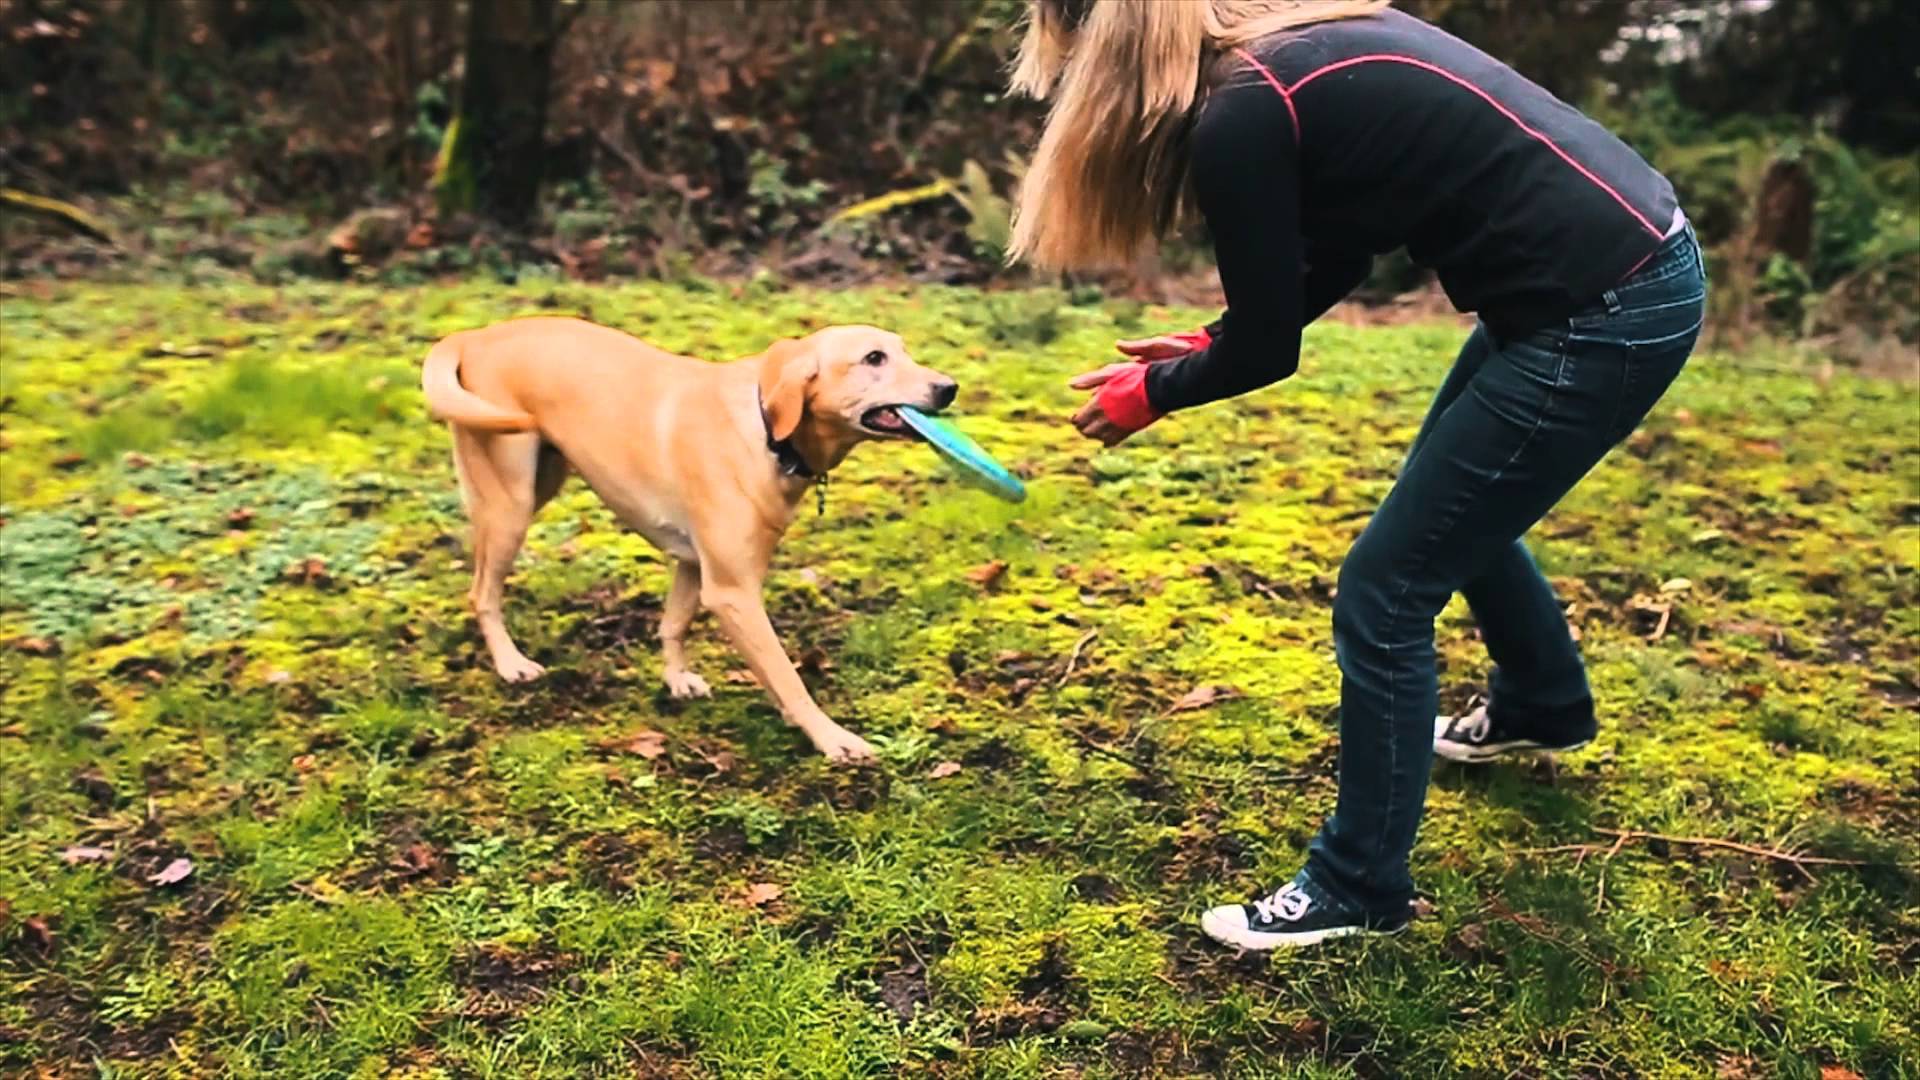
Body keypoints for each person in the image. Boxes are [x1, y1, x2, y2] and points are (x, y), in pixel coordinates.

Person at [1008, 0, 1706, 950]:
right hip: (1603, 275)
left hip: (1599, 308)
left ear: (1107, 51)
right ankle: (1542, 704)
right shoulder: (1288, 64)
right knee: (1455, 505)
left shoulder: (1242, 112)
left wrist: (1158, 391)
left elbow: (1267, 351)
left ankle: (1356, 886)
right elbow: (1342, 244)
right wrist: (1221, 339)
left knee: (1387, 588)